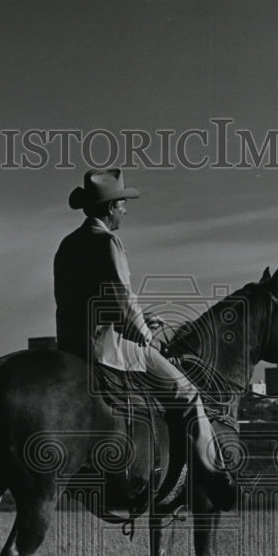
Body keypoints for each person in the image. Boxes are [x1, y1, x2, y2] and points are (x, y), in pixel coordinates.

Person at [54, 168, 235, 509]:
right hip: (108, 350)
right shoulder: (108, 241)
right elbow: (122, 298)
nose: (125, 210)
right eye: (122, 204)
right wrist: (148, 336)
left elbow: (86, 300)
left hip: (71, 346)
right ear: (110, 208)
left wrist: (136, 318)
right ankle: (213, 474)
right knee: (188, 393)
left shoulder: (67, 244)